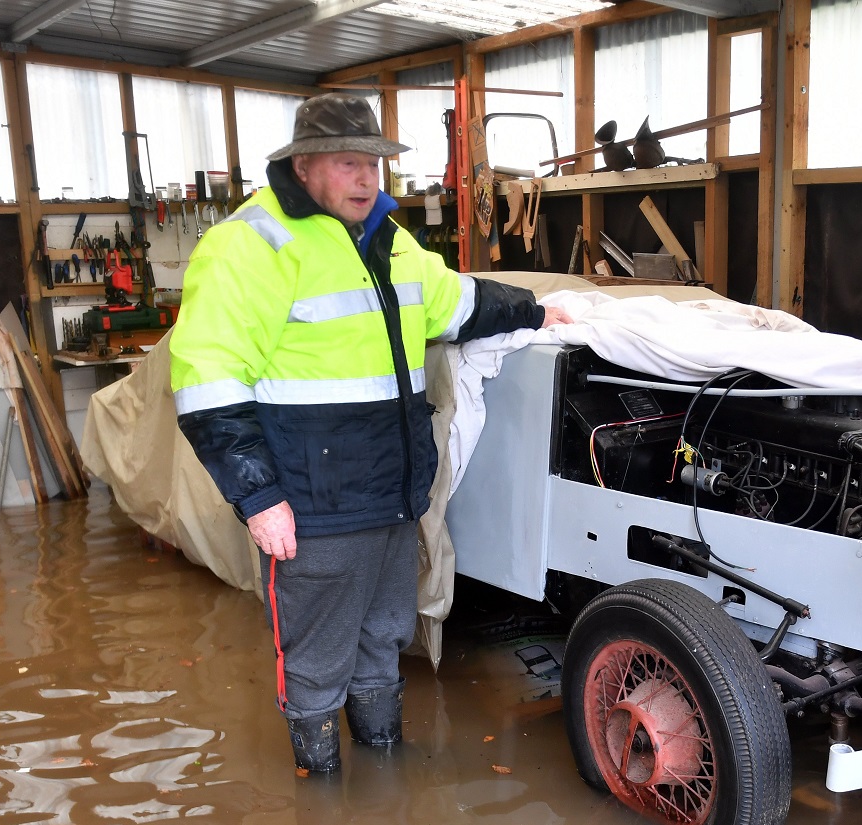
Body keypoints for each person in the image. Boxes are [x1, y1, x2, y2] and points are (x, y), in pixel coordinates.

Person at [169, 93, 571, 774]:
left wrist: (536, 312)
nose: (367, 179)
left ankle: (384, 780)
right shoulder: (250, 244)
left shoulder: (393, 239)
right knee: (316, 655)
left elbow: (460, 303)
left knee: (384, 640)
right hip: (312, 507)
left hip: (392, 495)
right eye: (350, 163)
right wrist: (259, 498)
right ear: (303, 166)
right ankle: (323, 804)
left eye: (375, 164)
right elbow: (207, 380)